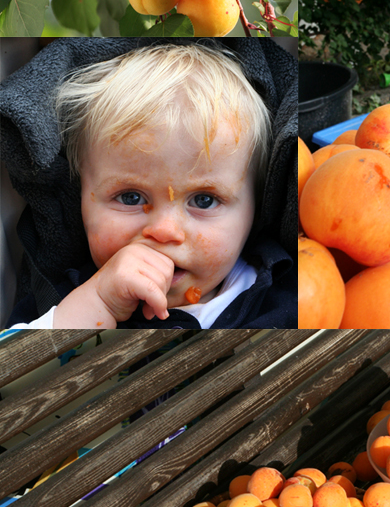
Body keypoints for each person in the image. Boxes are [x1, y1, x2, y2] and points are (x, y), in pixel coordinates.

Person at [1, 39, 297, 330]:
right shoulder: (65, 300)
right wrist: (97, 304)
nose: (165, 230)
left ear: (255, 207)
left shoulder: (284, 295)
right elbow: (14, 374)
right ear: (80, 198)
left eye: (203, 200)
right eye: (130, 197)